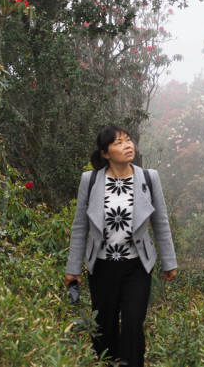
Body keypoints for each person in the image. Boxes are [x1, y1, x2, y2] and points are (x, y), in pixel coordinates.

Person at [65, 125, 177, 366]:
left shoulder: (149, 177)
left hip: (137, 266)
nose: (128, 146)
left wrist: (169, 262)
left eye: (128, 141)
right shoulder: (91, 180)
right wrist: (73, 268)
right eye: (119, 143)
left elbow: (161, 222)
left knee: (133, 323)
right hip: (102, 266)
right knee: (104, 326)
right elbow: (80, 226)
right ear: (105, 153)